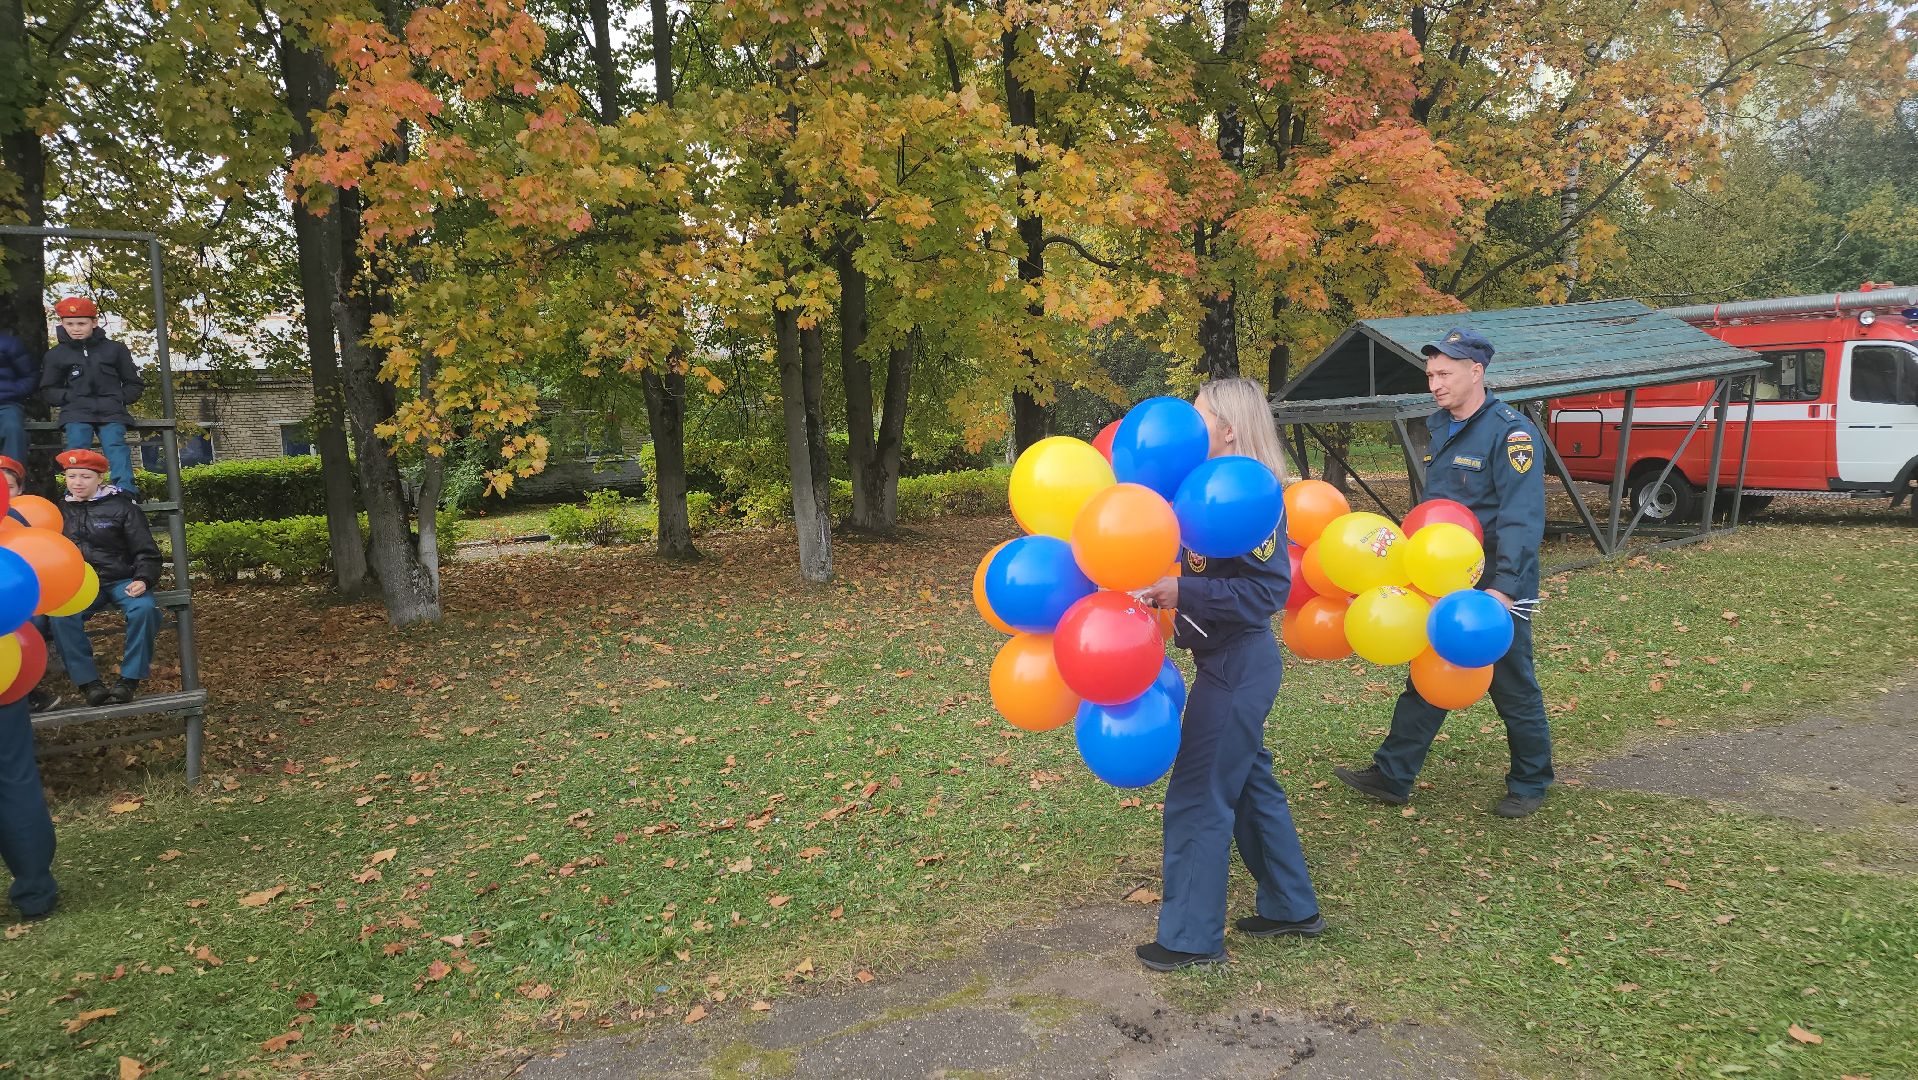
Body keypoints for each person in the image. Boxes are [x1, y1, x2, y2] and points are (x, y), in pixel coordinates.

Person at [1131, 377, 1322, 971]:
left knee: (1199, 790)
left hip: (1240, 664)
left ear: (1230, 428)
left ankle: (1189, 938)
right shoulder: (1196, 490)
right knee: (1248, 784)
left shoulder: (1249, 496)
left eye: (1200, 417)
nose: (1188, 429)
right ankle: (1292, 906)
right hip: (1222, 661)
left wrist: (1182, 589)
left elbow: (1267, 592)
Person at [1332, 327, 1553, 819]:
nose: (1435, 383)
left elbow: (1522, 517)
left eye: (1445, 373)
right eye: (1431, 374)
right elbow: (1436, 511)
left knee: (1511, 680)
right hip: (1439, 577)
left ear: (1477, 372)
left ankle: (1531, 781)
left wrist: (1504, 589)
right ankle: (1393, 774)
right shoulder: (1439, 425)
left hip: (1495, 583)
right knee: (1428, 672)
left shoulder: (1510, 433)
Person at [47, 449, 161, 706]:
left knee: (144, 609)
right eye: (72, 476)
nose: (77, 482)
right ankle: (89, 683)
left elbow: (146, 551)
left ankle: (129, 679)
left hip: (121, 579)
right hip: (80, 583)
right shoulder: (58, 511)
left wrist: (143, 578)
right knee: (61, 615)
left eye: (85, 476)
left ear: (100, 478)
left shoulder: (122, 507)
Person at [40, 297, 144, 497]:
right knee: (76, 450)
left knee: (115, 445)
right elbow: (48, 389)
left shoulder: (115, 349)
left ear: (94, 323)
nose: (75, 328)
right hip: (76, 412)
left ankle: (125, 491)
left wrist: (119, 398)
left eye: (82, 323)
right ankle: (76, 494)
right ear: (62, 324)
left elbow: (133, 383)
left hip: (111, 410)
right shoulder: (56, 355)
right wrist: (70, 397)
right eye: (70, 324)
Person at [0, 456, 61, 713]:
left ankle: (26, 690)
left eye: (8, 487)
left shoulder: (21, 520)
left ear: (20, 490)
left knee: (29, 626)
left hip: (17, 594)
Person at [0, 305, 36, 463]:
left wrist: (12, 391)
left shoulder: (9, 343)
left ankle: (13, 481)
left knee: (13, 429)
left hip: (6, 404)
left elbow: (31, 376)